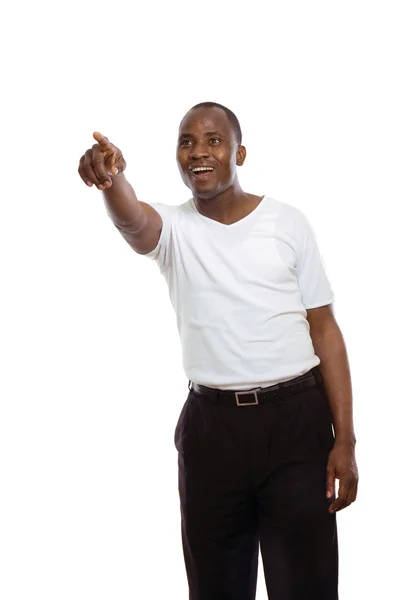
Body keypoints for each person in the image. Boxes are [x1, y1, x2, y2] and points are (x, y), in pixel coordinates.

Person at [78, 101, 358, 600]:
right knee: (216, 587)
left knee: (307, 586)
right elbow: (133, 222)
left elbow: (325, 330)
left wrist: (346, 440)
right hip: (212, 431)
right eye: (186, 142)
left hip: (296, 425)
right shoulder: (175, 229)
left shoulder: (288, 223)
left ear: (239, 153)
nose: (198, 152)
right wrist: (110, 180)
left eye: (213, 140)